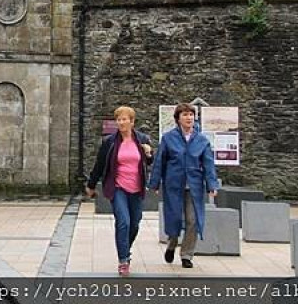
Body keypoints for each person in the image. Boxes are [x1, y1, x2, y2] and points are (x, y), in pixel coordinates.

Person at [148, 103, 219, 269]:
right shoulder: (168, 138)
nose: (189, 118)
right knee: (174, 218)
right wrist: (155, 182)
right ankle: (172, 243)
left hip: (194, 187)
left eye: (191, 115)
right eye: (185, 115)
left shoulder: (202, 140)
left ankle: (187, 254)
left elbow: (208, 164)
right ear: (178, 119)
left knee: (192, 220)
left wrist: (212, 185)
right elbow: (160, 161)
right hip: (173, 184)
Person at [85, 106, 153, 276]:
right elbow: (100, 165)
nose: (121, 122)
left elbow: (150, 162)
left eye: (124, 119)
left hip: (137, 188)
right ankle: (123, 260)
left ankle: (125, 249)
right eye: (119, 120)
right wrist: (91, 185)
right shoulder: (109, 142)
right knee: (123, 222)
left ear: (132, 121)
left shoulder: (142, 139)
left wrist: (149, 154)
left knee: (135, 224)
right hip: (117, 187)